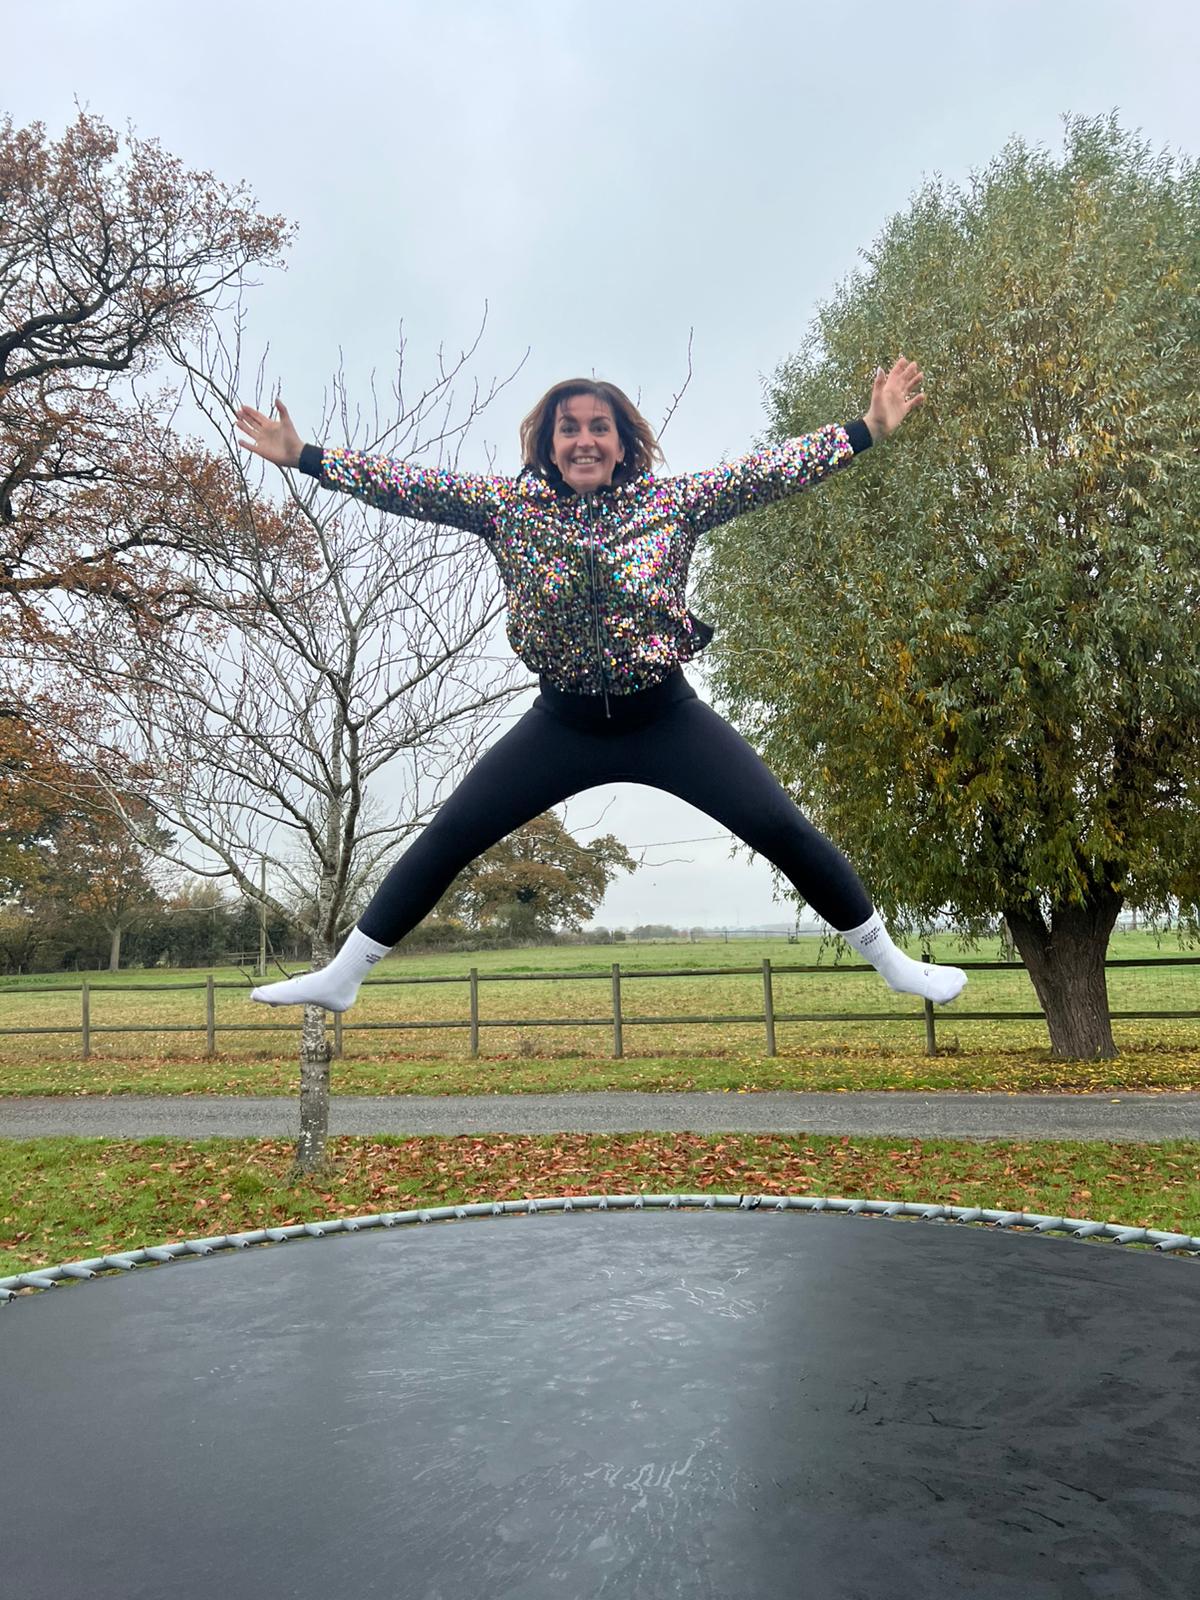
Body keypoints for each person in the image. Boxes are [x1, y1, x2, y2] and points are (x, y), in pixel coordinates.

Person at [235, 360, 966, 1013]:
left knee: (779, 827)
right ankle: (344, 975)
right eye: (568, 429)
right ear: (547, 446)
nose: (583, 440)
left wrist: (868, 428)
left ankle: (892, 962)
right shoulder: (508, 508)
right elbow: (408, 486)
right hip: (563, 725)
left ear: (622, 444)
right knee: (452, 834)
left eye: (599, 428)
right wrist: (304, 456)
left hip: (664, 716)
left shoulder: (673, 503)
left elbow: (770, 471)